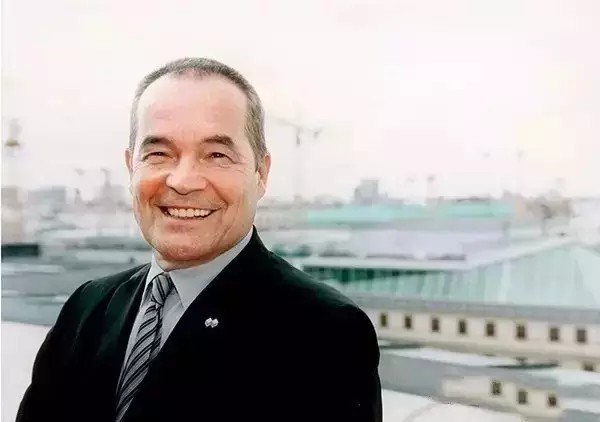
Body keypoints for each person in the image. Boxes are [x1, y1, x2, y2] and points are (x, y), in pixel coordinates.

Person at [17, 57, 382, 422]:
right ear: (131, 167)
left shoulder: (322, 332)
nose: (183, 180)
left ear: (261, 173)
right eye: (159, 154)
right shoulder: (88, 307)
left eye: (216, 155)